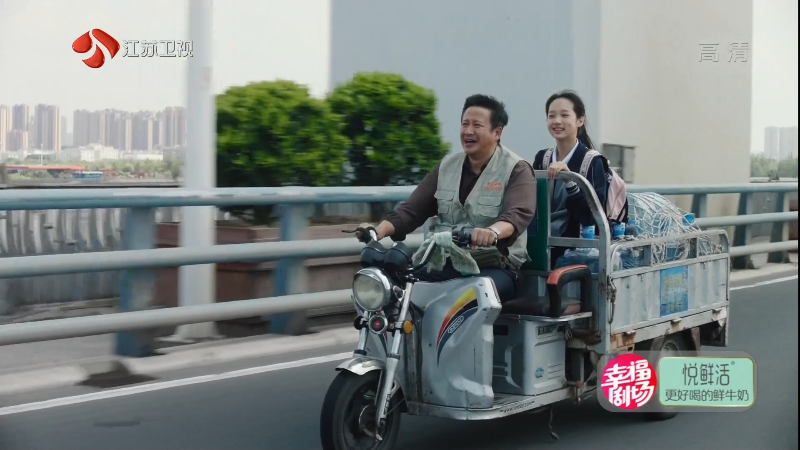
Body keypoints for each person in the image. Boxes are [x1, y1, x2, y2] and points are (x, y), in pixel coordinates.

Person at [362, 94, 537, 302]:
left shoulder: (516, 169)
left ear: (497, 133)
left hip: (495, 267)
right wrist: (377, 231)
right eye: (465, 124)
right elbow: (412, 209)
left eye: (477, 125)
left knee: (474, 294)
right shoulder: (447, 166)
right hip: (447, 263)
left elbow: (517, 214)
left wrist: (492, 232)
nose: (468, 131)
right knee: (391, 282)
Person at [532, 90, 607, 266]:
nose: (557, 121)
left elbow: (592, 217)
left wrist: (570, 181)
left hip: (576, 253)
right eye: (551, 116)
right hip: (541, 245)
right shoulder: (542, 158)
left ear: (580, 120)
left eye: (564, 115)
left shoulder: (592, 161)